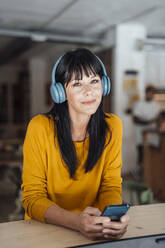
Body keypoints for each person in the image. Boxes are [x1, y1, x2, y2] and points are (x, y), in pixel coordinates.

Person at [21, 48, 129, 240]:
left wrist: (112, 218)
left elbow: (110, 185)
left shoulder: (113, 126)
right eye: (77, 84)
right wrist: (76, 221)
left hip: (92, 227)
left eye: (94, 81)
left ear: (104, 85)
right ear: (60, 92)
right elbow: (32, 197)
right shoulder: (39, 127)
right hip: (44, 228)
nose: (89, 92)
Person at [133, 85, 160, 178]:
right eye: (150, 93)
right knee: (141, 155)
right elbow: (135, 119)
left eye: (153, 93)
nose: (151, 95)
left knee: (151, 155)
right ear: (146, 93)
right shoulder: (139, 104)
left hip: (152, 135)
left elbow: (157, 118)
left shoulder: (155, 104)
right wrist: (149, 121)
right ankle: (139, 174)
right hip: (140, 136)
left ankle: (149, 175)